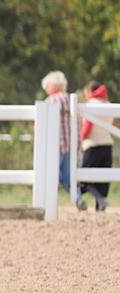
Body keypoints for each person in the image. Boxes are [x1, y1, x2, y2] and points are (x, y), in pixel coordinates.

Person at [77, 80, 112, 212]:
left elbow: (87, 128)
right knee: (103, 179)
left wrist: (80, 139)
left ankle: (100, 200)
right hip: (107, 144)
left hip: (92, 145)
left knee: (85, 178)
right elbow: (111, 125)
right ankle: (100, 208)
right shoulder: (108, 104)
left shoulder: (90, 105)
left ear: (90, 92)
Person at [41, 71, 72, 193]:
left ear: (55, 85)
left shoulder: (51, 101)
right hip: (70, 144)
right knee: (68, 176)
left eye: (47, 86)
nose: (46, 90)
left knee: (51, 173)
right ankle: (77, 197)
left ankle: (49, 197)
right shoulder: (70, 98)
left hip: (56, 144)